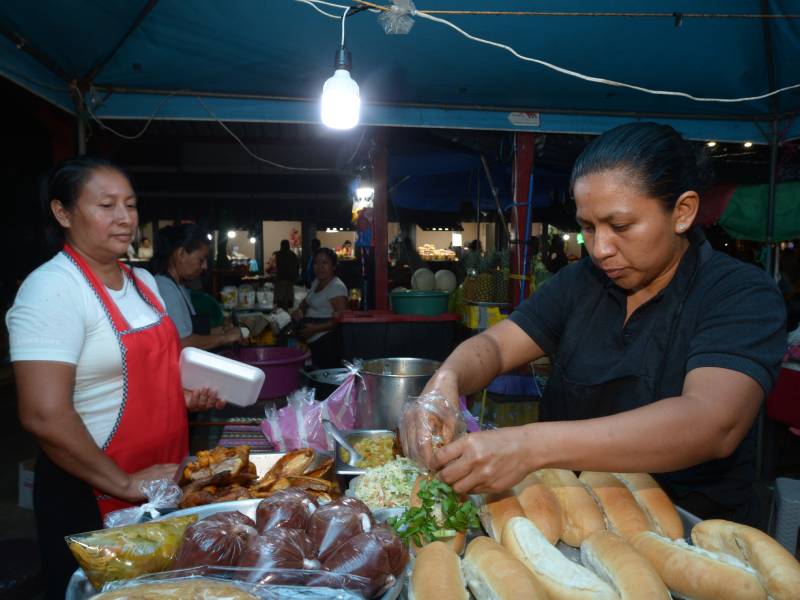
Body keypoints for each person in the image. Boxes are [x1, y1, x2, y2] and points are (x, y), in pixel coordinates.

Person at [402, 123, 786, 526]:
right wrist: (446, 381)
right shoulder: (580, 281)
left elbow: (712, 422)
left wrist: (531, 445)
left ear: (683, 213)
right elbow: (497, 346)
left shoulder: (740, 293)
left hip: (694, 528)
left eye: (619, 227)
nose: (600, 249)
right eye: (587, 227)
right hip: (574, 516)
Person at [6, 157, 223, 599]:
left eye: (130, 204)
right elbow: (43, 413)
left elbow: (129, 380)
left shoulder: (142, 281)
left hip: (161, 480)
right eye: (106, 205)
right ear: (63, 213)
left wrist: (180, 397)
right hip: (90, 488)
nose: (125, 218)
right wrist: (124, 483)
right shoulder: (52, 289)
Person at [152, 223, 241, 350]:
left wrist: (221, 331)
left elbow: (190, 331)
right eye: (201, 260)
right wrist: (225, 338)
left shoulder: (178, 286)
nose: (204, 266)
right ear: (181, 254)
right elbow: (182, 342)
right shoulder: (164, 288)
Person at [293, 247, 348, 368]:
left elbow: (342, 319)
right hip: (314, 343)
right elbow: (306, 302)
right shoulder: (316, 282)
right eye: (316, 263)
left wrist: (315, 329)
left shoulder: (337, 287)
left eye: (325, 263)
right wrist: (300, 310)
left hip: (328, 343)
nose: (320, 267)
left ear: (333, 266)